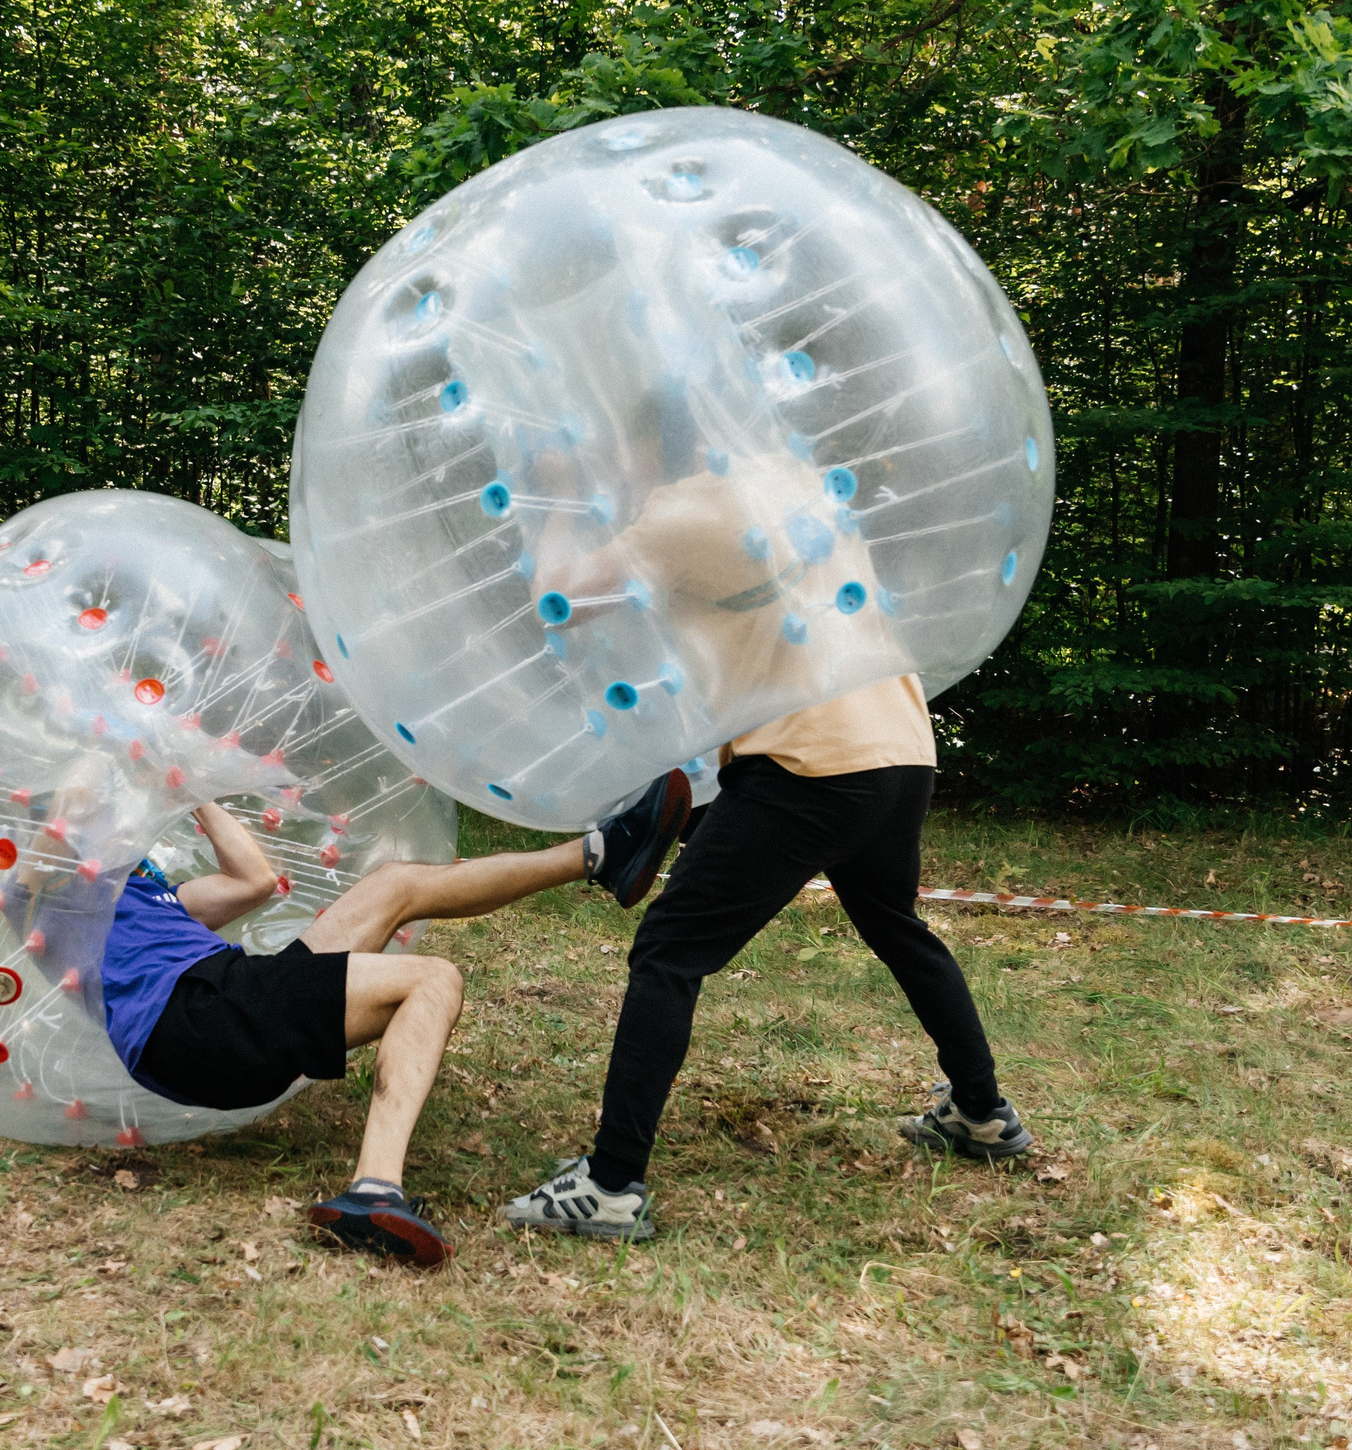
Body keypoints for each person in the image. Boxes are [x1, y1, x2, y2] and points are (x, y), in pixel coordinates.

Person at [501, 463, 1032, 1242]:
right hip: (898, 742)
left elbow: (562, 602)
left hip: (810, 759)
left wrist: (559, 499)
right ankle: (982, 1112)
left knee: (669, 948)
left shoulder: (685, 507)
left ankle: (610, 1184)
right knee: (897, 926)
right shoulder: (793, 479)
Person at [102, 780, 690, 1267]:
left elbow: (253, 880)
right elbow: (60, 821)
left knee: (394, 884)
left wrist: (194, 789)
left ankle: (602, 855)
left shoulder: (152, 897)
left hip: (225, 1009)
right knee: (433, 981)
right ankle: (374, 1190)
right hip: (199, 1015)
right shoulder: (72, 891)